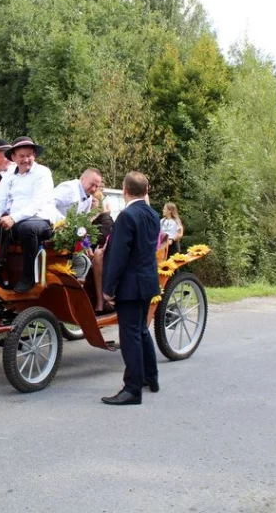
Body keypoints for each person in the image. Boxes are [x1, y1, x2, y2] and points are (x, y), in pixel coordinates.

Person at [101, 171, 161, 406]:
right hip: (147, 281)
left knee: (130, 336)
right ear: (146, 191)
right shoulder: (153, 214)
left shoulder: (126, 216)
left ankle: (132, 388)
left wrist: (108, 288)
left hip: (130, 285)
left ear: (125, 191)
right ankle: (150, 377)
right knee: (141, 331)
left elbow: (118, 256)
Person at [0, 136, 55, 293]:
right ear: (14, 158)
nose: (26, 159)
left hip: (41, 220)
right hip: (16, 221)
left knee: (27, 228)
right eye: (22, 156)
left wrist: (13, 218)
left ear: (34, 155)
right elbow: (0, 202)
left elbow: (37, 203)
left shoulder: (42, 173)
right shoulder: (9, 176)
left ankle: (29, 277)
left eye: (29, 155)